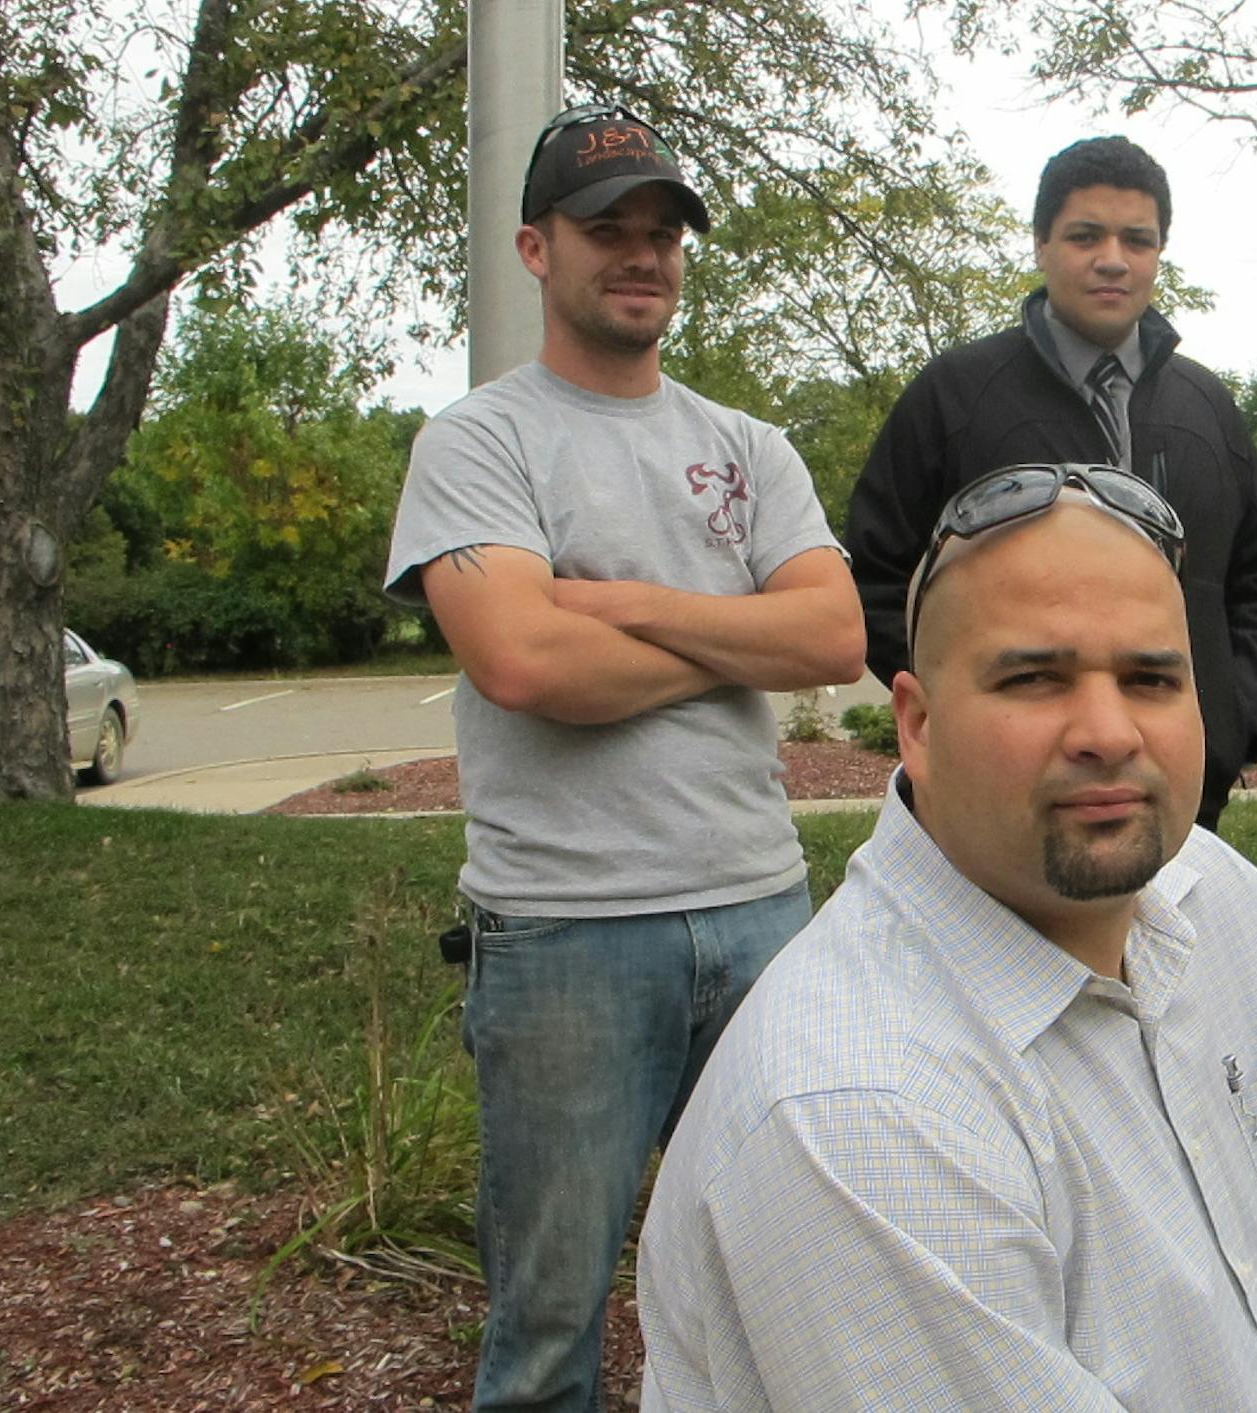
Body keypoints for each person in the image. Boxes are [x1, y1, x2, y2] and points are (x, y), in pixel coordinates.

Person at [638, 466, 1257, 1411]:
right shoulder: (865, 1112)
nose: (1109, 732)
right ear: (916, 723)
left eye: (1151, 677)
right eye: (1035, 677)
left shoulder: (1211, 889)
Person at [383, 101, 864, 1410]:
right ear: (537, 249)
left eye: (663, 232)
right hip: (566, 937)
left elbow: (831, 634)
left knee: (780, 1283)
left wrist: (611, 599)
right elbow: (527, 666)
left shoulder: (747, 447)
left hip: (764, 910)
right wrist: (734, 636)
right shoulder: (479, 441)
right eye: (609, 230)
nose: (641, 254)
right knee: (549, 1331)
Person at [844, 136, 1257, 831]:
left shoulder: (1208, 409)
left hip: (1182, 802)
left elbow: (1255, 583)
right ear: (1041, 245)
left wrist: (1233, 721)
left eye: (1137, 240)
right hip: (1011, 807)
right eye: (1085, 235)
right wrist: (970, 713)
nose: (1112, 258)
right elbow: (877, 576)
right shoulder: (956, 399)